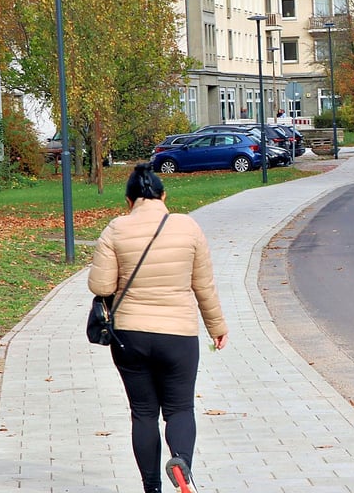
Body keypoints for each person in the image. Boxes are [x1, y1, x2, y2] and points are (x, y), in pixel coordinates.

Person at [88, 163, 229, 493]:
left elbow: (101, 284)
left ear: (129, 200)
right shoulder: (188, 227)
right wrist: (216, 327)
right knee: (180, 409)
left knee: (144, 413)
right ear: (164, 196)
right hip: (178, 335)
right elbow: (203, 286)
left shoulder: (116, 229)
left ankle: (151, 487)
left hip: (130, 336)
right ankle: (181, 465)